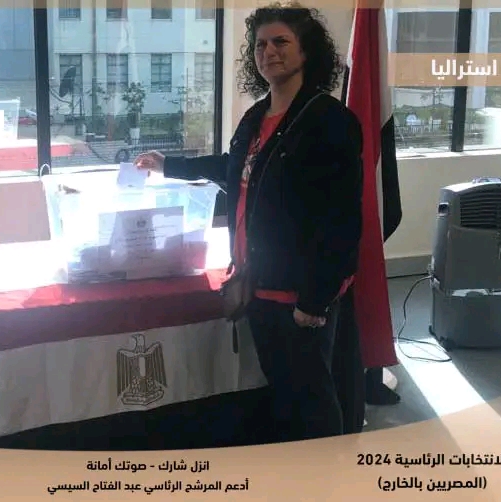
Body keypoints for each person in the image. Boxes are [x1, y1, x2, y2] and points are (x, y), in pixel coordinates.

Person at [135, 2, 364, 442]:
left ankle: (328, 472)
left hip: (299, 294)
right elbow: (234, 167)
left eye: (281, 42)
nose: (268, 52)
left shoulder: (329, 121)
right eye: (260, 44)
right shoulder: (256, 117)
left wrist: (314, 302)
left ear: (306, 51)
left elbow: (341, 221)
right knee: (283, 389)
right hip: (257, 283)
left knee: (312, 397)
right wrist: (169, 166)